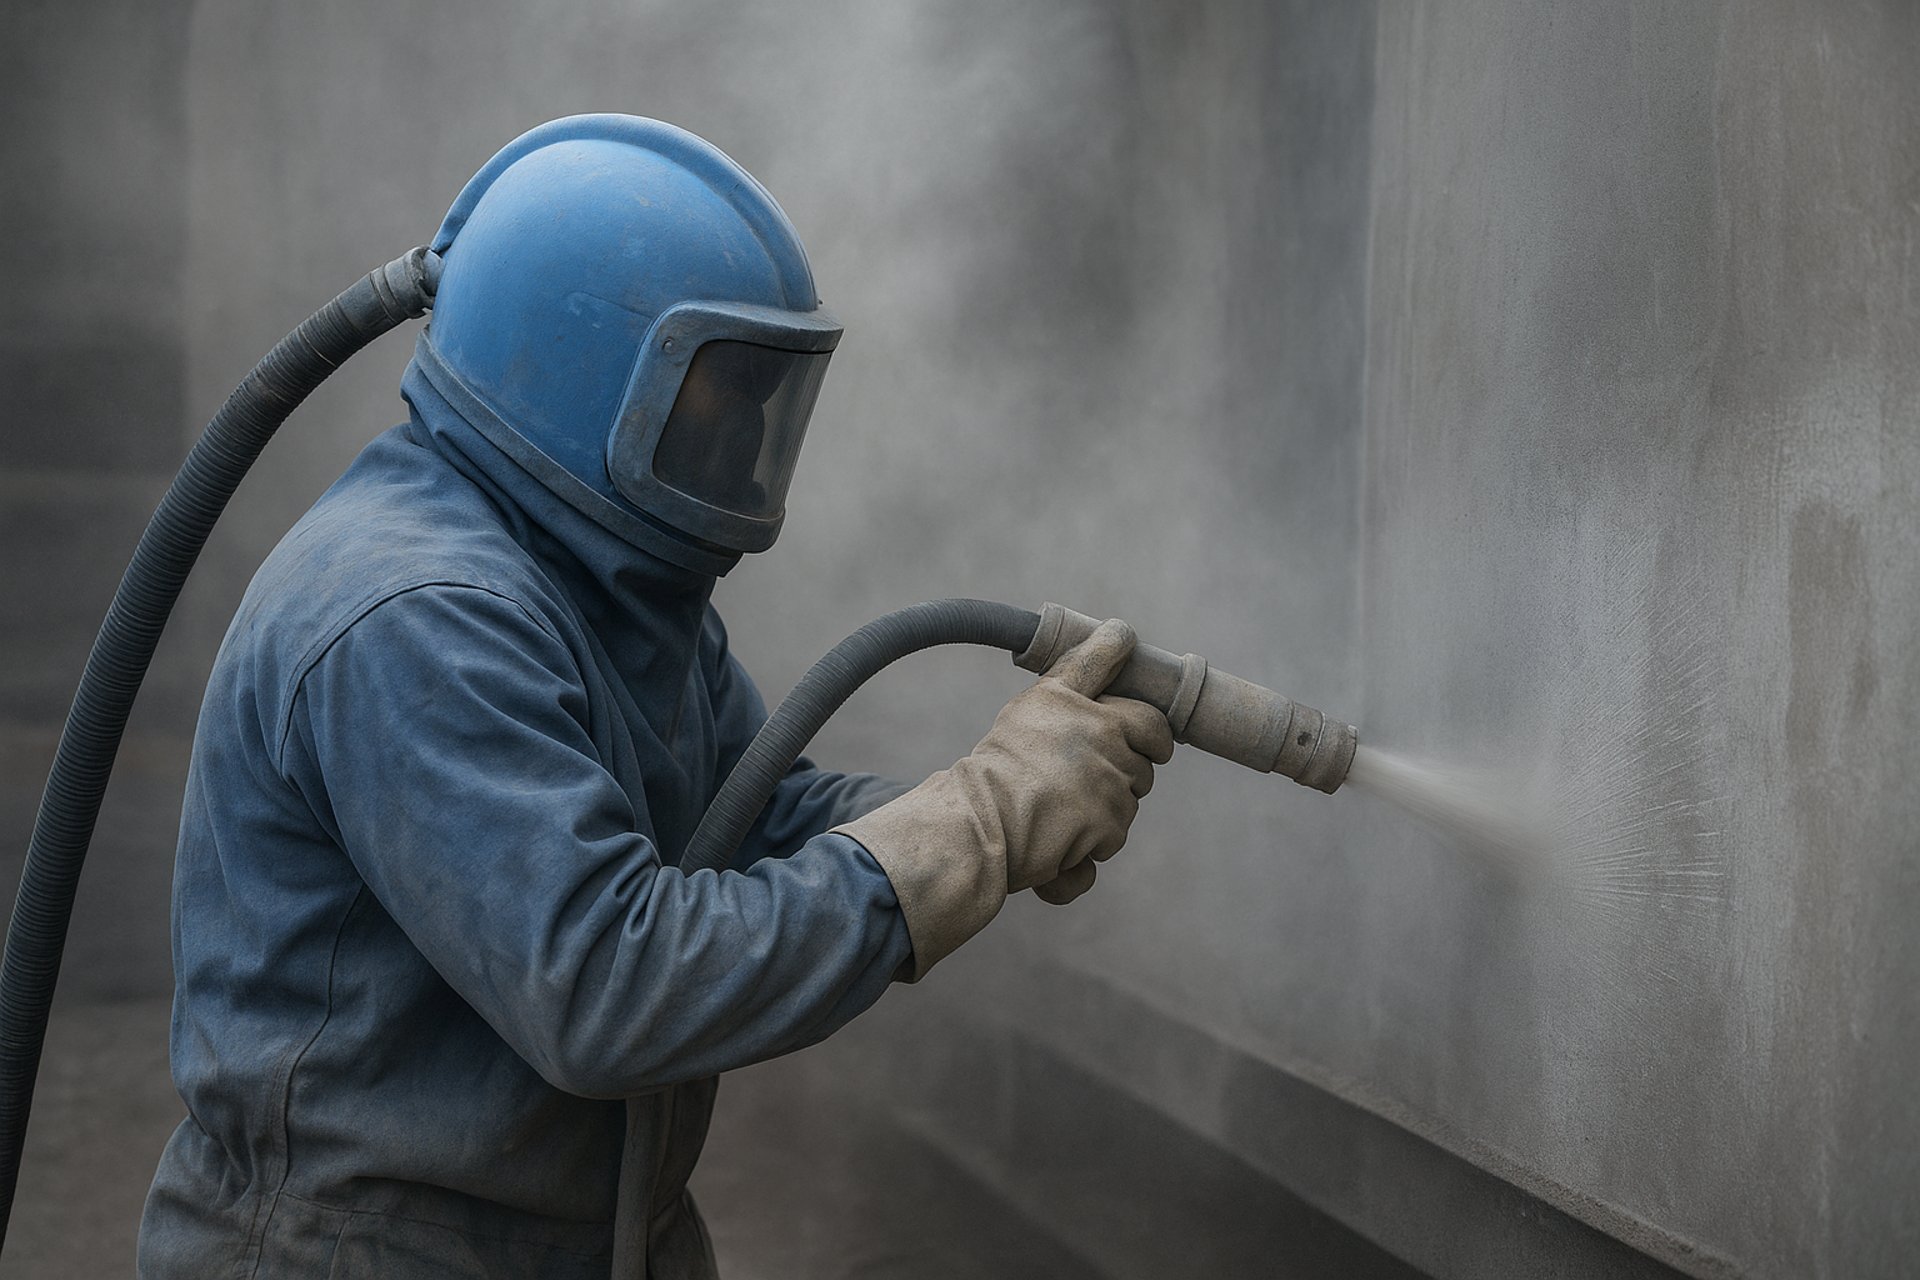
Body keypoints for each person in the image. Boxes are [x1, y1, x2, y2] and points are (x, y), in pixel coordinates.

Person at [137, 115, 1171, 1279]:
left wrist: (999, 810)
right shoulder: (415, 616)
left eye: (760, 398)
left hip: (584, 1237)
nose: (739, 440)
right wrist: (972, 825)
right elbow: (604, 983)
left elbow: (751, 812)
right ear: (580, 371)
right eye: (716, 396)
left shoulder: (591, 568)